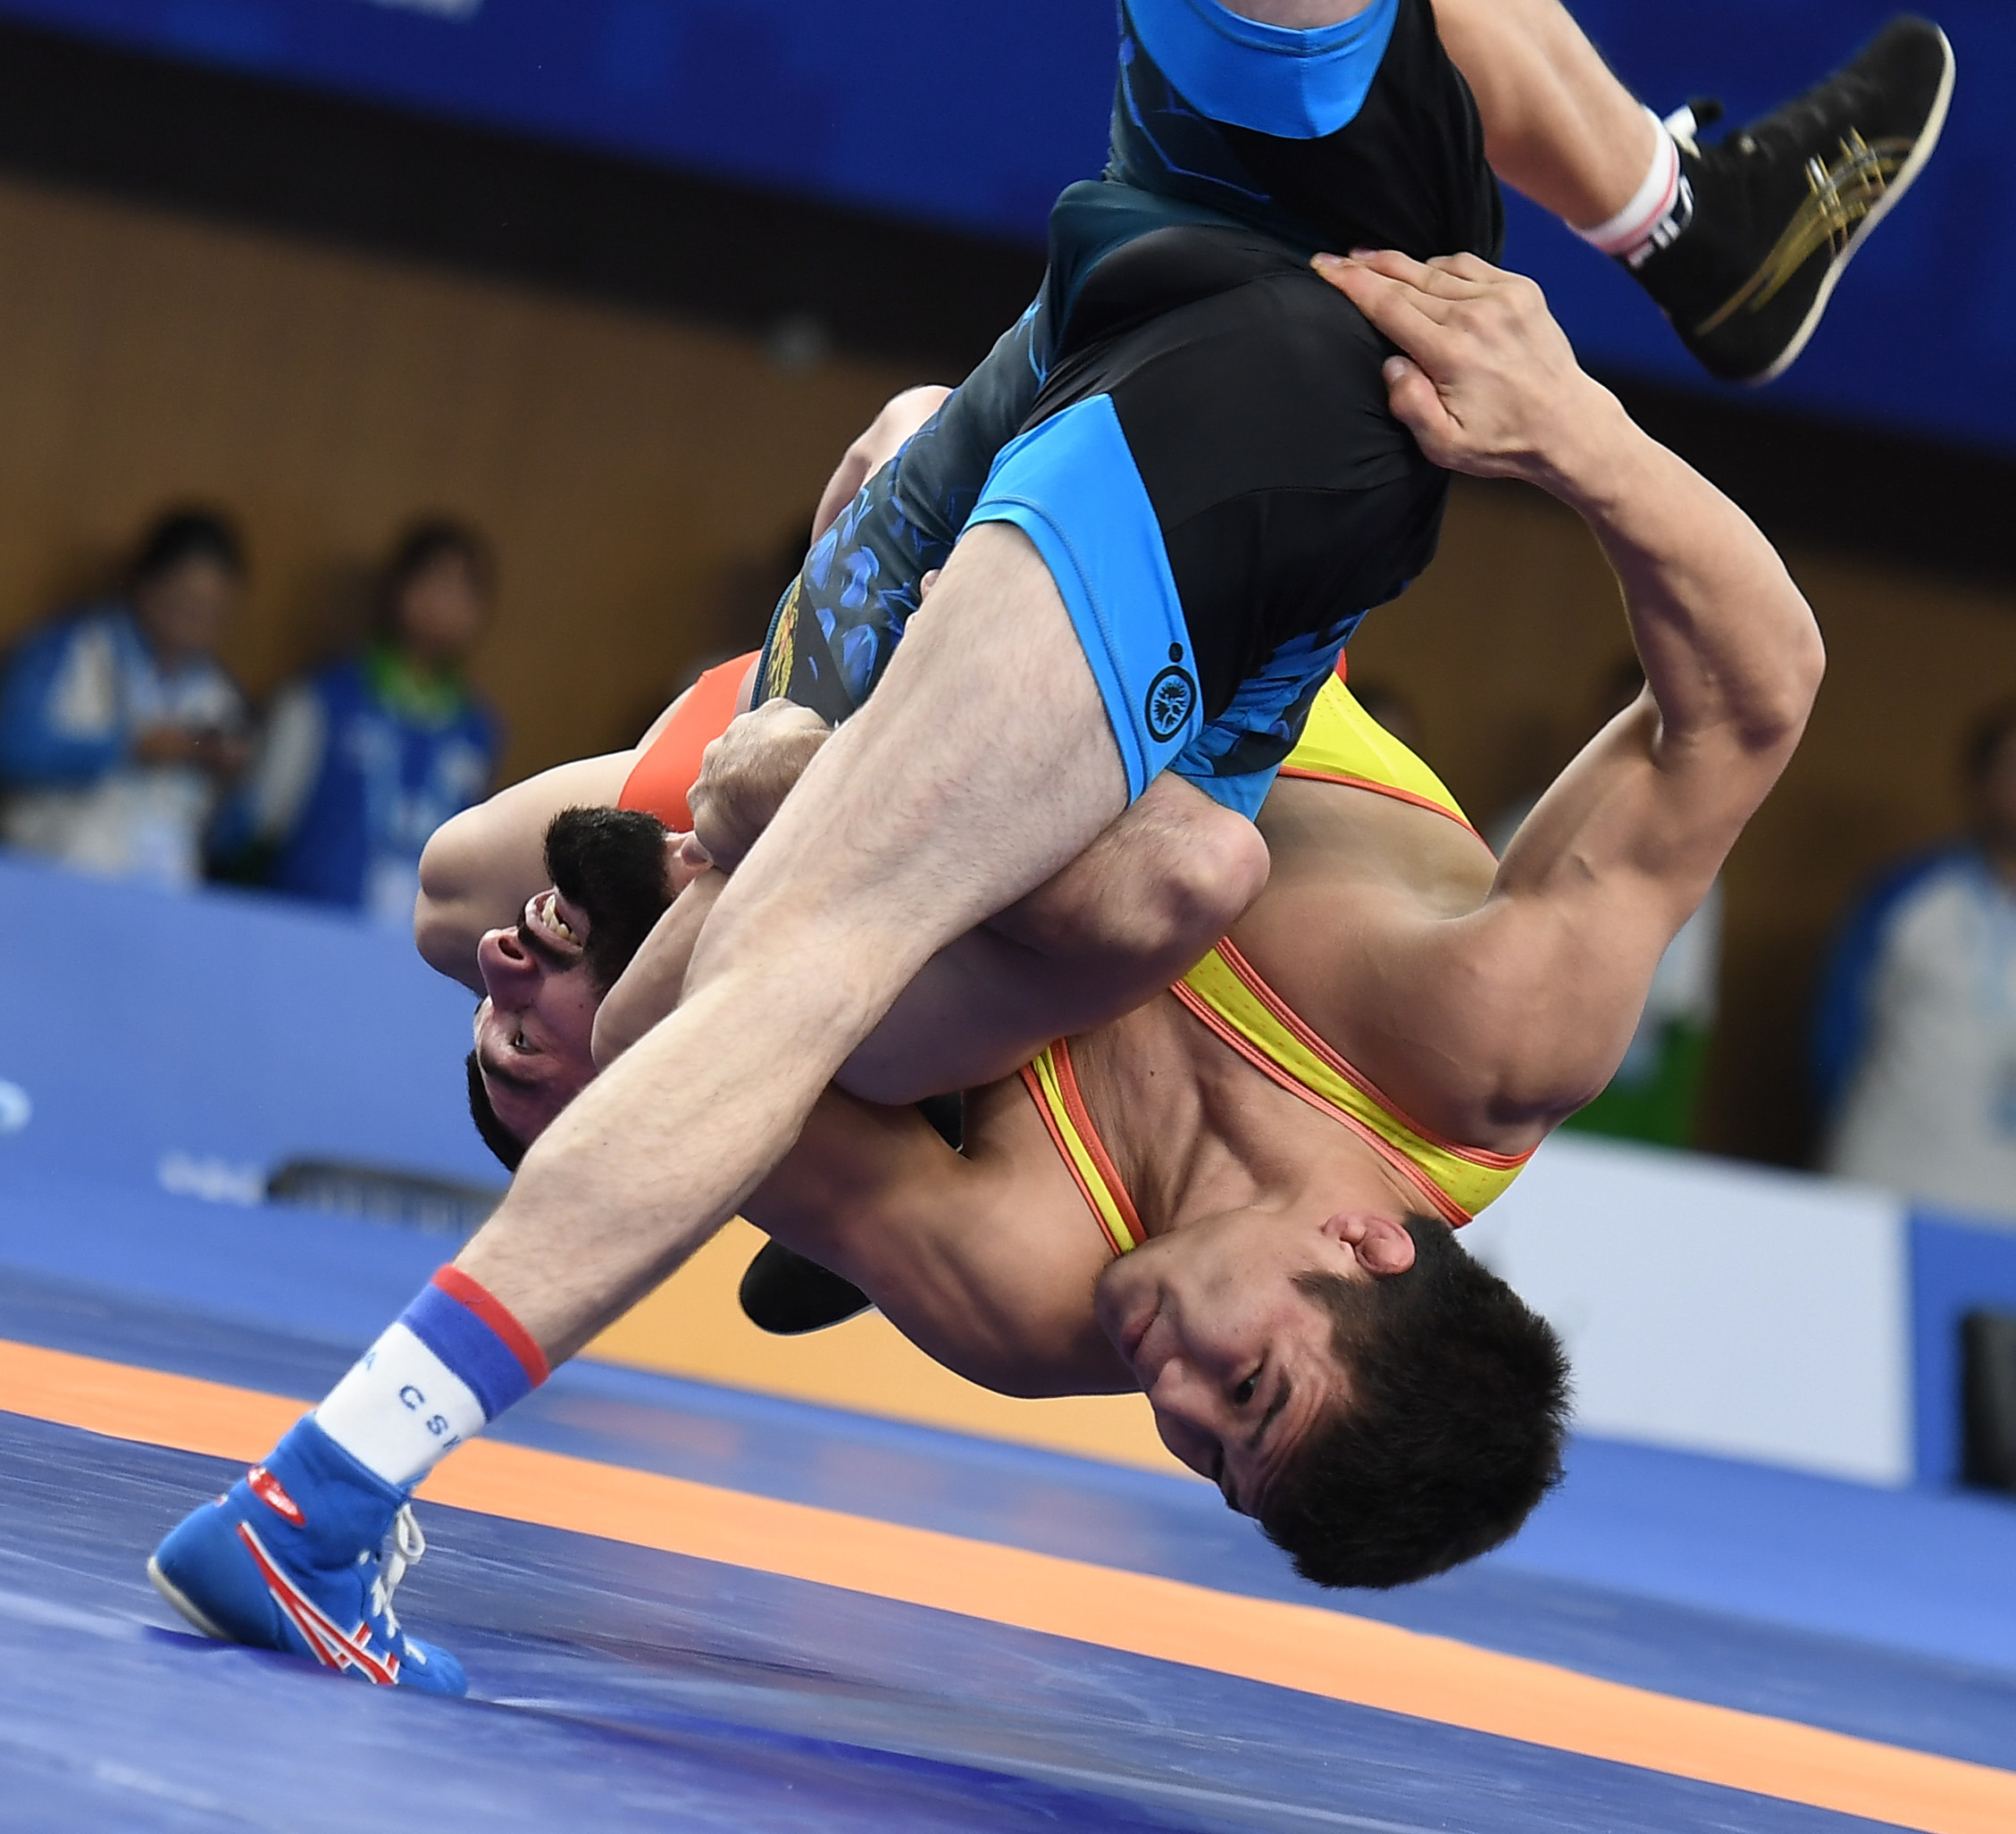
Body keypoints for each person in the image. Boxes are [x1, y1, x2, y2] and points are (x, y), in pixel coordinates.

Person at [148, 0, 1897, 1689]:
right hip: (1250, 497)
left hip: (984, 619)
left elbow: (653, 1034)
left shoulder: (1026, 1295)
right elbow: (1755, 695)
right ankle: (1690, 218)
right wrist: (1575, 434)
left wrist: (748, 868)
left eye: (1207, 1454)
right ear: (1367, 1251)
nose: (1173, 1401)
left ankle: (828, 814)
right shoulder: (1481, 1046)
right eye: (1249, 1392)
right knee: (1134, 886)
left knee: (472, 902)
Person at [217, 521, 503, 925]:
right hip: (303, 926)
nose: (446, 602)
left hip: (413, 947)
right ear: (399, 587)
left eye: (465, 590)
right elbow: (254, 827)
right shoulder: (321, 701)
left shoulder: (478, 732)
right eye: (435, 581)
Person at [1488, 658, 1722, 1149]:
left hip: (1629, 1111)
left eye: (1664, 729)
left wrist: (1663, 1136)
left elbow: (1685, 1022)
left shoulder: (1700, 861)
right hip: (1511, 1089)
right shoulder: (1526, 828)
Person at [1813, 704, 2016, 1221]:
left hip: (2003, 1196)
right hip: (1887, 1171)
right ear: (1979, 781)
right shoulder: (1909, 894)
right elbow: (1835, 1036)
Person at [0, 509, 249, 890]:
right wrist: (127, 748)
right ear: (147, 586)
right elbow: (12, 749)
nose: (196, 621)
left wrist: (236, 783)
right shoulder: (73, 649)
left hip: (163, 890)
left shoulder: (221, 696)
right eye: (185, 602)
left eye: (212, 611)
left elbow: (230, 838)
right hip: (52, 874)